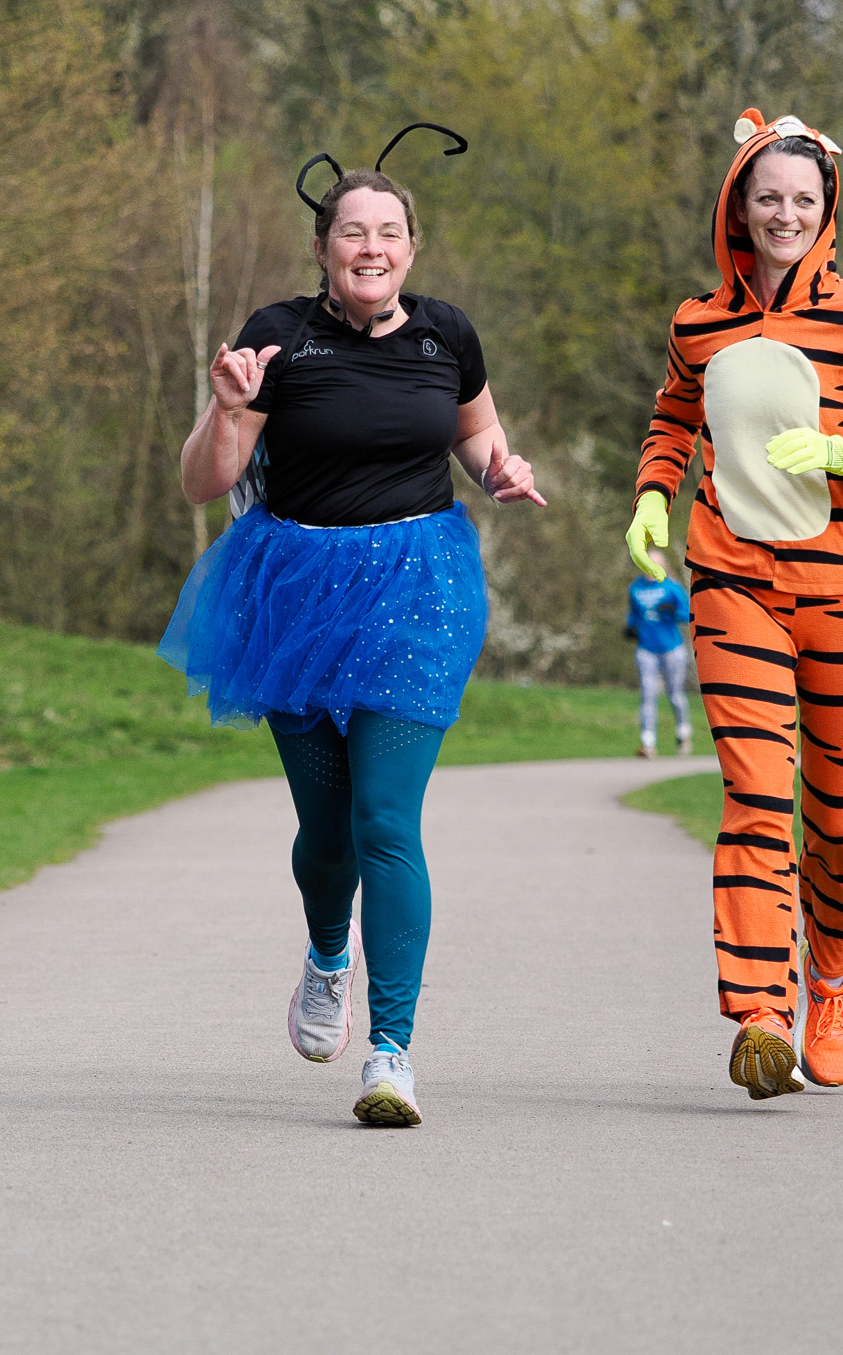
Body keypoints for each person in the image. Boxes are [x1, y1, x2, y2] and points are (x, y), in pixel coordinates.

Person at [162, 132, 543, 1127]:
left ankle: (391, 1053)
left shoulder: (446, 335)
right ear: (324, 247)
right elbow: (204, 481)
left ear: (411, 248)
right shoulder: (276, 334)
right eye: (350, 232)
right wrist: (224, 408)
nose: (368, 246)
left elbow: (472, 430)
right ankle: (326, 951)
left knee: (384, 819)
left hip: (418, 586)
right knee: (324, 831)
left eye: (387, 232)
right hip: (293, 589)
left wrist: (500, 468)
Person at [623, 110, 843, 1101]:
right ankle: (759, 1015)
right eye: (765, 196)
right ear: (736, 204)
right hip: (733, 582)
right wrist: (651, 492)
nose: (783, 214)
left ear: (825, 208)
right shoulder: (697, 321)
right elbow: (674, 416)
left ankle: (828, 981)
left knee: (835, 821)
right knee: (755, 796)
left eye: (800, 200)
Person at [626, 548, 692, 757]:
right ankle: (648, 743)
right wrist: (630, 627)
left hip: (672, 648)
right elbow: (634, 615)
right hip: (646, 649)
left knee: (675, 695)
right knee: (648, 694)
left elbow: (687, 613)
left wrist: (672, 610)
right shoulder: (635, 588)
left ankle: (683, 734)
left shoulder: (672, 587)